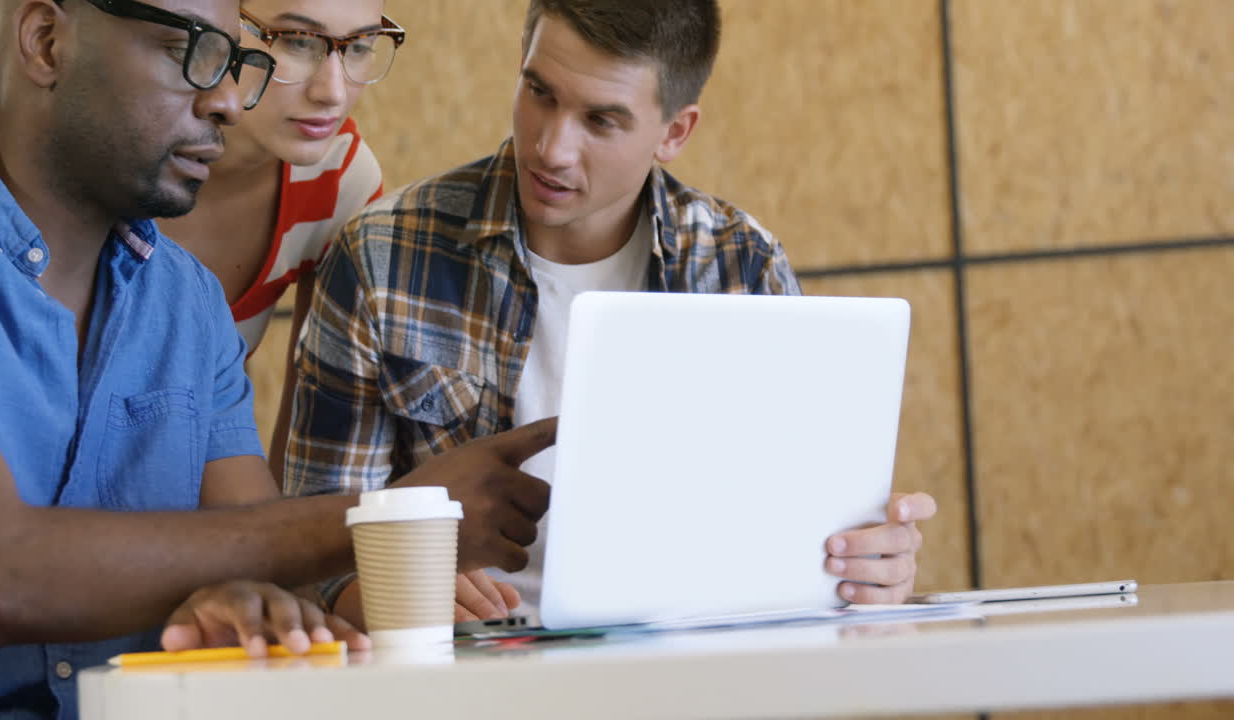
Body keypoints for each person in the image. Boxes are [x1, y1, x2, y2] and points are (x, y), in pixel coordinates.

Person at [0, 1, 551, 716]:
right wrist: (396, 517)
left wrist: (247, 606)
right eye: (191, 52)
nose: (231, 100)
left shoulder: (191, 305)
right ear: (46, 41)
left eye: (234, 60)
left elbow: (264, 557)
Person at [286, 0, 938, 625]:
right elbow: (304, 543)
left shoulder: (742, 267)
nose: (551, 148)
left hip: (684, 675)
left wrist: (865, 570)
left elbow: (797, 548)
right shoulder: (383, 255)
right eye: (539, 92)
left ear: (674, 132)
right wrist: (386, 589)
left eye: (601, 121)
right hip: (462, 677)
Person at [158, 0, 394, 486]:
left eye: (361, 46)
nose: (332, 92)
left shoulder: (339, 179)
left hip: (191, 515)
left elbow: (303, 461)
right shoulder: (117, 151)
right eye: (297, 41)